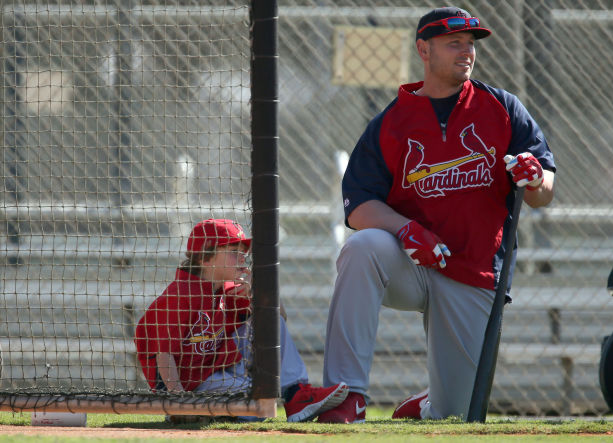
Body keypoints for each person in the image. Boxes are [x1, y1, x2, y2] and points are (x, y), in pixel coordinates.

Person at [317, 6, 556, 423]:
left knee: (455, 416)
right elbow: (358, 207)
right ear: (423, 49)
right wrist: (404, 228)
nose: (466, 52)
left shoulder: (501, 107)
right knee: (363, 247)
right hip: (410, 263)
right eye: (453, 43)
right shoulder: (390, 123)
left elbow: (543, 194)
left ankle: (428, 404)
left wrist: (535, 179)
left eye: (470, 44)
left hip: (474, 269)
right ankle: (347, 396)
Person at [135, 219, 348, 423]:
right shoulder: (180, 295)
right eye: (233, 253)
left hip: (219, 368)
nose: (242, 259)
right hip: (191, 384)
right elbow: (163, 354)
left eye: (243, 253)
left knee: (267, 326)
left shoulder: (226, 289)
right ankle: (199, 410)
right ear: (204, 258)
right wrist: (178, 401)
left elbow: (279, 320)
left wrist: (259, 291)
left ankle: (296, 395)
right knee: (260, 406)